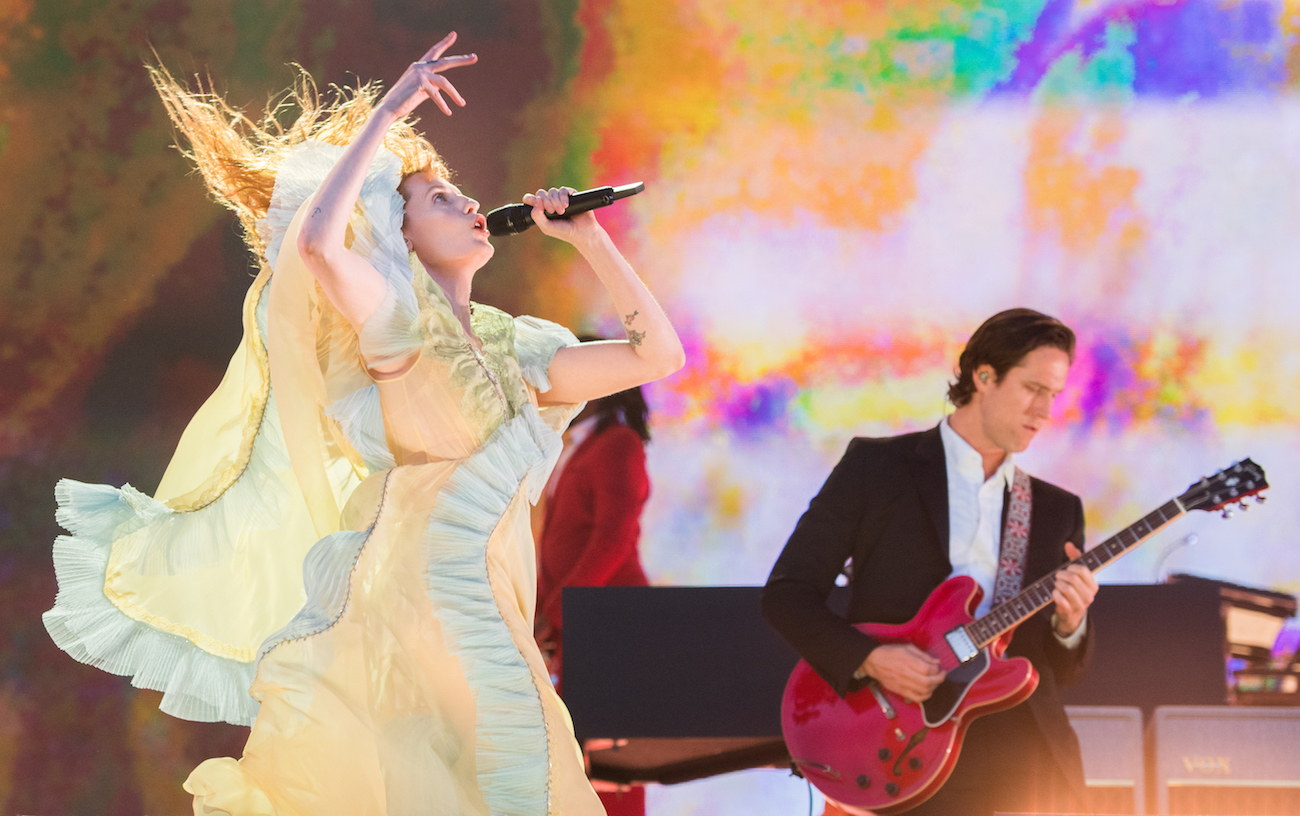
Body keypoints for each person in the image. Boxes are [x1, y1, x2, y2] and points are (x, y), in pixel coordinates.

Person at [43, 32, 683, 816]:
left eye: (461, 193)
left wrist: (588, 239)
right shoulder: (396, 324)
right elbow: (316, 244)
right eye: (438, 199)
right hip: (423, 594)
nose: (468, 203)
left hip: (495, 594)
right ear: (400, 237)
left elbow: (658, 355)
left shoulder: (518, 347)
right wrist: (390, 110)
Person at [761, 308, 1099, 816]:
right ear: (983, 376)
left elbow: (1060, 669)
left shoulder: (1057, 510)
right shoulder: (877, 469)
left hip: (1019, 757)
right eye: (1033, 388)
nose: (1045, 409)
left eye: (1054, 394)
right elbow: (787, 595)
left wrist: (1071, 625)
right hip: (901, 746)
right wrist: (869, 659)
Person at [535, 378, 654, 816]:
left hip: (610, 619)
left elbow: (614, 537)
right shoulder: (573, 445)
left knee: (612, 754)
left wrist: (558, 608)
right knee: (580, 746)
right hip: (579, 620)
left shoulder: (617, 443)